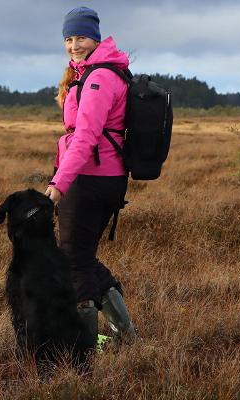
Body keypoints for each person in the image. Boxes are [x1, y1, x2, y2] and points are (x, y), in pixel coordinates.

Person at [44, 6, 137, 343]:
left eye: (80, 37)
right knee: (83, 257)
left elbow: (85, 138)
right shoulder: (95, 72)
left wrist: (58, 185)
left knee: (72, 264)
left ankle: (82, 348)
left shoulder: (98, 77)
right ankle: (124, 335)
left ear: (95, 38)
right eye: (68, 39)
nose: (73, 45)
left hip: (90, 179)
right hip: (105, 178)